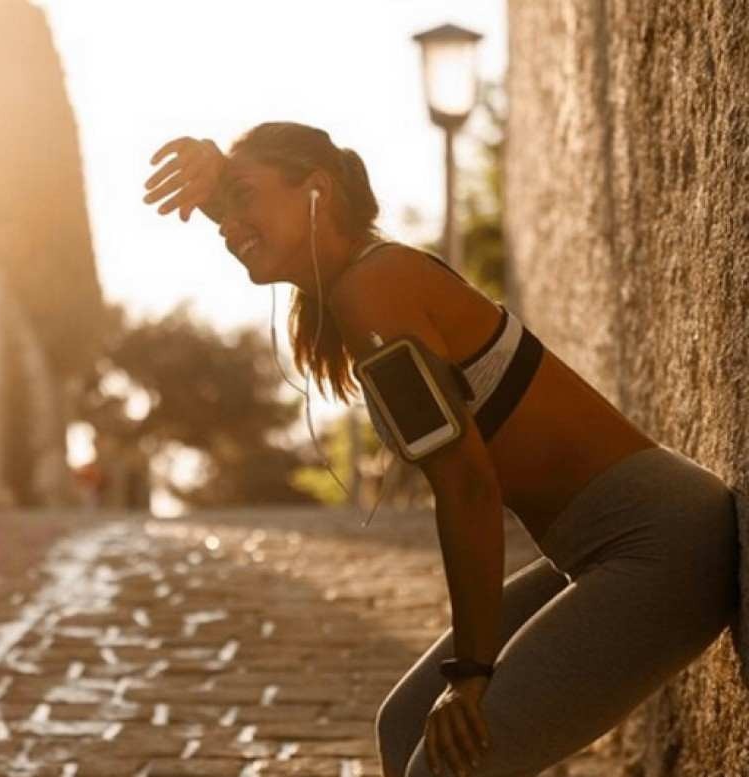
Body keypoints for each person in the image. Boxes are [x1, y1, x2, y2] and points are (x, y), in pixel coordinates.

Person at [141, 122, 740, 777]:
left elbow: (468, 487)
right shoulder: (363, 281)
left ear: (317, 190)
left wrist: (472, 673)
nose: (230, 226)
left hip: (661, 543)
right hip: (609, 543)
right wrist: (218, 182)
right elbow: (259, 221)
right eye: (225, 209)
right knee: (404, 727)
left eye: (244, 196)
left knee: (449, 764)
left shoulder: (373, 288)